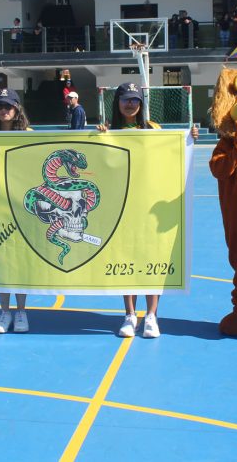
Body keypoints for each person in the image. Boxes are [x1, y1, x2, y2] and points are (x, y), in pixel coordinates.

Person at [98, 82, 198, 338]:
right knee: (125, 260)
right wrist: (98, 137)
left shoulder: (153, 129)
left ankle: (151, 315)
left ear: (141, 103)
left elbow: (169, 155)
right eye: (125, 99)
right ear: (117, 103)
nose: (130, 104)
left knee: (152, 257)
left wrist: (189, 139)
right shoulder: (108, 130)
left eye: (135, 99)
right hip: (121, 206)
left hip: (149, 203)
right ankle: (130, 315)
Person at [0, 88, 33, 333]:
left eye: (8, 106)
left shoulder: (28, 135)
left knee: (20, 262)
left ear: (17, 109)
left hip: (22, 207)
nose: (4, 110)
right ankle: (5, 312)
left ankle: (21, 311)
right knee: (2, 262)